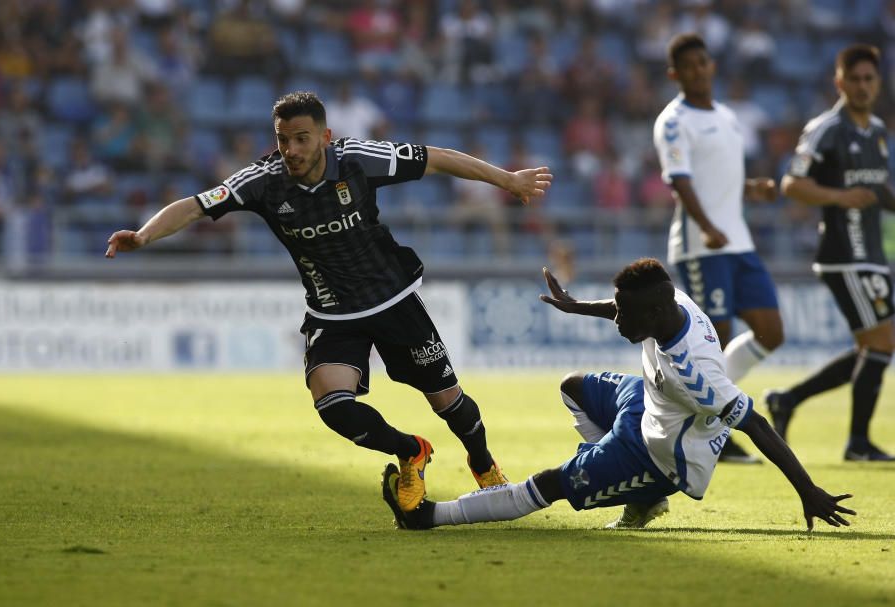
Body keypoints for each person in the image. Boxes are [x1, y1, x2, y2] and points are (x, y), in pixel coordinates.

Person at [106, 91, 552, 512]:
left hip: (393, 299)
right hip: (332, 311)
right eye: (283, 140)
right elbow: (196, 205)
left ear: (325, 137)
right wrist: (144, 235)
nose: (291, 150)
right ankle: (410, 451)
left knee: (449, 402)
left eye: (301, 139)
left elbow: (439, 158)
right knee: (333, 407)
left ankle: (482, 463)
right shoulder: (264, 182)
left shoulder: (359, 159)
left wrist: (507, 180)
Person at [381, 259, 856, 532]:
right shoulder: (669, 304)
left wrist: (807, 490)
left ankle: (428, 517)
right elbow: (618, 304)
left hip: (661, 457)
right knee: (573, 386)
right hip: (644, 403)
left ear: (654, 313)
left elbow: (756, 426)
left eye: (626, 316)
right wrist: (574, 306)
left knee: (549, 483)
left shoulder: (697, 374)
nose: (618, 322)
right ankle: (600, 465)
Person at [653, 33, 785, 464]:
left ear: (712, 66)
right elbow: (680, 181)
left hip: (739, 243)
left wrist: (752, 189)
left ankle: (711, 419)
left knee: (771, 332)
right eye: (688, 66)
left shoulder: (728, 117)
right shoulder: (673, 121)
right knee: (715, 337)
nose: (699, 70)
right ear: (675, 74)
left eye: (704, 63)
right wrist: (707, 226)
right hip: (702, 248)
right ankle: (713, 432)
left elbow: (719, 177)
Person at [766, 44, 895, 462]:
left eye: (868, 79)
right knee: (883, 341)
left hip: (872, 253)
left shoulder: (876, 130)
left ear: (878, 83)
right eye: (853, 79)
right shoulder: (825, 128)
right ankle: (857, 443)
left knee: (871, 348)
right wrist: (839, 196)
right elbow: (791, 184)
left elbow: (876, 190)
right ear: (839, 81)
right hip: (844, 254)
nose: (861, 86)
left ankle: (788, 399)